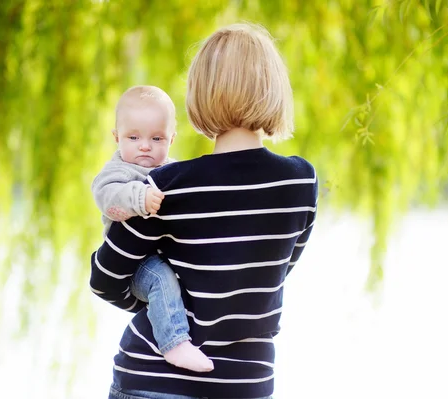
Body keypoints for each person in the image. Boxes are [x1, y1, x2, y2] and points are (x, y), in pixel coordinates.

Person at [90, 22, 318, 399]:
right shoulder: (300, 182)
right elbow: (273, 272)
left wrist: (169, 309)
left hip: (152, 380)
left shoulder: (168, 185)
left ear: (201, 93)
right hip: (246, 384)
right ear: (273, 89)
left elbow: (105, 276)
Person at [91, 85, 214, 373]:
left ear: (171, 138)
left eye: (156, 138)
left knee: (175, 277)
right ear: (117, 138)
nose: (145, 146)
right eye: (134, 137)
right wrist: (139, 198)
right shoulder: (119, 173)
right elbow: (107, 197)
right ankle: (173, 344)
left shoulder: (172, 170)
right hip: (137, 265)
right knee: (161, 280)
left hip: (164, 254)